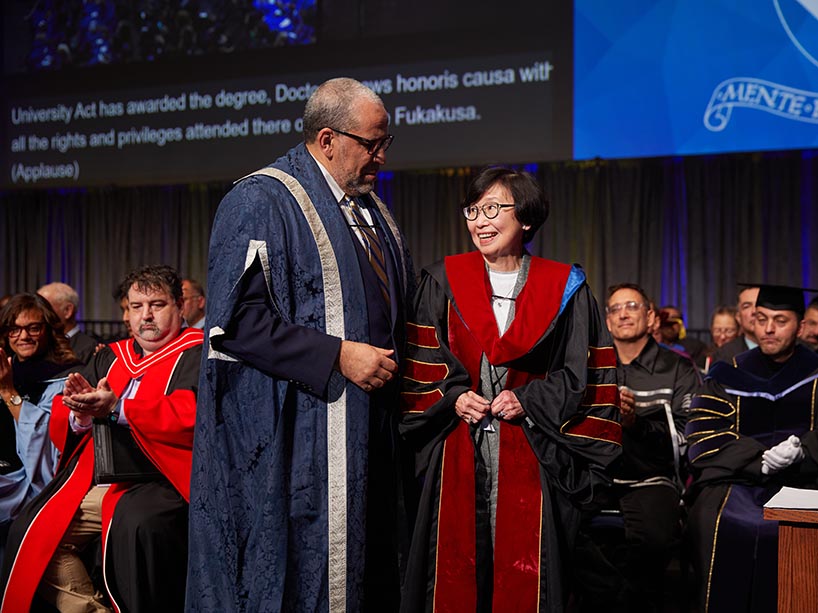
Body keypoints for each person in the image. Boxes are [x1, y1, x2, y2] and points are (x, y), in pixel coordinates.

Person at [186, 77, 414, 612]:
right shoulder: (260, 199)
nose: (382, 156)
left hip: (370, 426)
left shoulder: (371, 210)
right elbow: (236, 322)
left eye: (386, 143)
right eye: (372, 144)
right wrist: (337, 354)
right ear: (329, 138)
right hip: (296, 438)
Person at [398, 167, 621, 612]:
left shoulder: (564, 287)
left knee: (527, 571)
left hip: (535, 446)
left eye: (494, 208)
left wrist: (529, 399)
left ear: (526, 219)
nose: (480, 220)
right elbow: (419, 364)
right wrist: (453, 394)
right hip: (457, 445)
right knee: (453, 569)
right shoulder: (442, 281)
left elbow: (586, 373)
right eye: (473, 210)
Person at [1, 265, 204, 613]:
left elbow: (193, 414)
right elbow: (67, 418)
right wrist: (80, 413)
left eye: (157, 304)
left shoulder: (198, 353)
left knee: (136, 526)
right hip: (102, 476)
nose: (146, 316)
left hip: (167, 476)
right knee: (31, 532)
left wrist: (118, 408)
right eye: (137, 306)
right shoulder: (112, 355)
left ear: (180, 306)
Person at [685, 284, 818, 613]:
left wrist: (804, 449)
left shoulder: (815, 372)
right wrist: (758, 460)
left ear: (800, 326)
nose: (768, 329)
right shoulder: (728, 372)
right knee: (711, 516)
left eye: (780, 320)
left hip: (807, 479)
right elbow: (702, 431)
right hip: (738, 478)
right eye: (761, 319)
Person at [573, 283, 700, 612]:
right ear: (607, 320)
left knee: (650, 543)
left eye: (632, 305)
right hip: (594, 477)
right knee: (561, 528)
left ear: (650, 315)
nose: (624, 313)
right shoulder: (587, 368)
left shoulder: (679, 369)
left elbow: (688, 437)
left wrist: (635, 423)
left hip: (652, 479)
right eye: (615, 308)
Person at [0, 294, 80, 549]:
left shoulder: (65, 377)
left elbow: (44, 440)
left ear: (48, 330)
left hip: (26, 484)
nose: (23, 336)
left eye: (33, 327)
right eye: (15, 329)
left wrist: (8, 393)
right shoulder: (6, 368)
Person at [38, 282, 98, 365]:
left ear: (67, 310)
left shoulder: (89, 348)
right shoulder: (40, 344)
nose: (38, 314)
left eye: (44, 308)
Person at [710, 285, 760, 364]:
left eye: (758, 305)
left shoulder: (782, 350)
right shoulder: (724, 354)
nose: (754, 311)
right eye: (746, 306)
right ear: (738, 317)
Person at [704, 305, 739, 371]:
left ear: (738, 331)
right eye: (717, 330)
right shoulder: (705, 357)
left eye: (729, 331)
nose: (722, 336)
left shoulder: (742, 358)